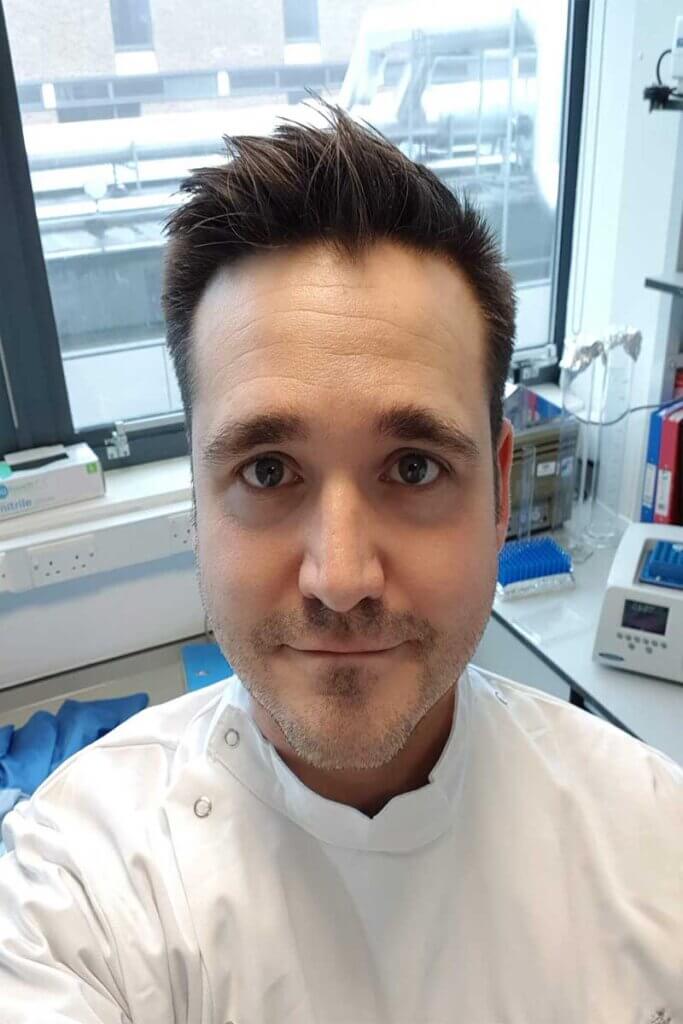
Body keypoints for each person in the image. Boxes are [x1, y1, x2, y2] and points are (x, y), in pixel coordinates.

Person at [0, 102, 681, 1024]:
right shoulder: (74, 893)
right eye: (267, 471)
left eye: (413, 467)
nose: (341, 577)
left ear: (498, 490)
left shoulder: (654, 841)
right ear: (197, 501)